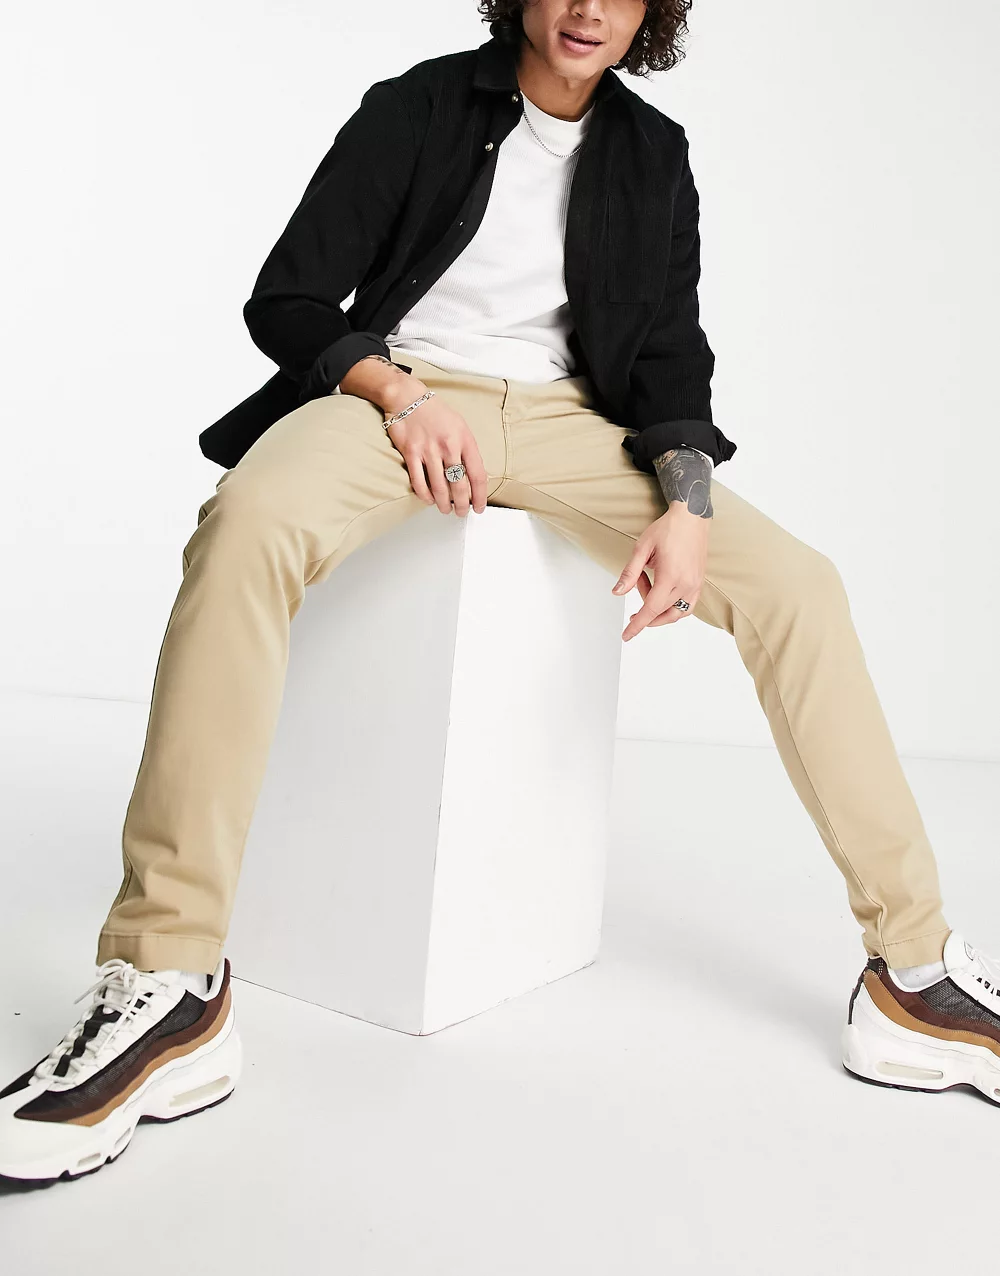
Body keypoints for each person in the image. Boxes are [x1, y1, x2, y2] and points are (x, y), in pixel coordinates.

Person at [3, 0, 997, 1188]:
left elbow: (670, 353)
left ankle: (912, 973)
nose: (588, 10)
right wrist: (399, 395)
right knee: (248, 524)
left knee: (801, 587)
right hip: (402, 400)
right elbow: (291, 299)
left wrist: (685, 499)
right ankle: (170, 977)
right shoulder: (419, 105)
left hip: (577, 425)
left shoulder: (653, 152)